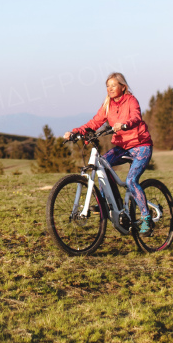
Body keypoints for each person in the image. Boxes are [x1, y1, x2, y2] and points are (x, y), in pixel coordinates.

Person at [63, 72, 154, 234]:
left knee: (132, 180)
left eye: (113, 85)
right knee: (102, 164)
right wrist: (75, 132)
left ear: (122, 87)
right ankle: (107, 202)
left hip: (141, 146)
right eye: (107, 86)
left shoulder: (131, 100)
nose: (110, 89)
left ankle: (147, 218)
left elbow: (136, 117)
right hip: (123, 146)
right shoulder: (108, 105)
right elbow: (94, 122)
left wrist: (124, 125)